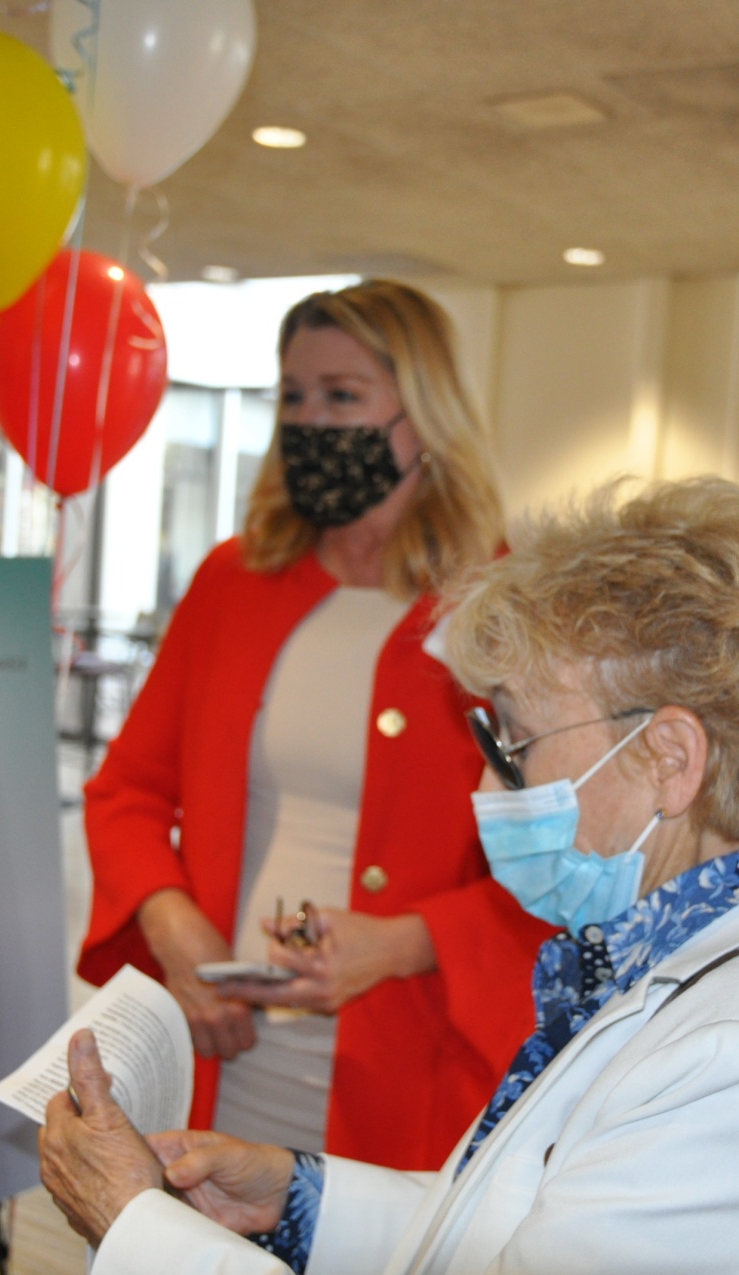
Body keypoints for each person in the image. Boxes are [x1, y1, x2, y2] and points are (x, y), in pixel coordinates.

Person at [39, 478, 739, 1274]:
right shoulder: (675, 964)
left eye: (514, 747)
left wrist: (137, 1227)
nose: (485, 788)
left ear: (670, 757)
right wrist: (298, 1200)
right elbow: (524, 1228)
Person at [78, 279, 554, 1170]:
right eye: (293, 397)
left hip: (408, 1063)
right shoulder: (234, 580)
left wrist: (404, 941)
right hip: (222, 1050)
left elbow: (567, 861)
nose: (310, 423)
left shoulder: (504, 605)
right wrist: (174, 924)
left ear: (425, 416)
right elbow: (128, 790)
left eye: (343, 396)